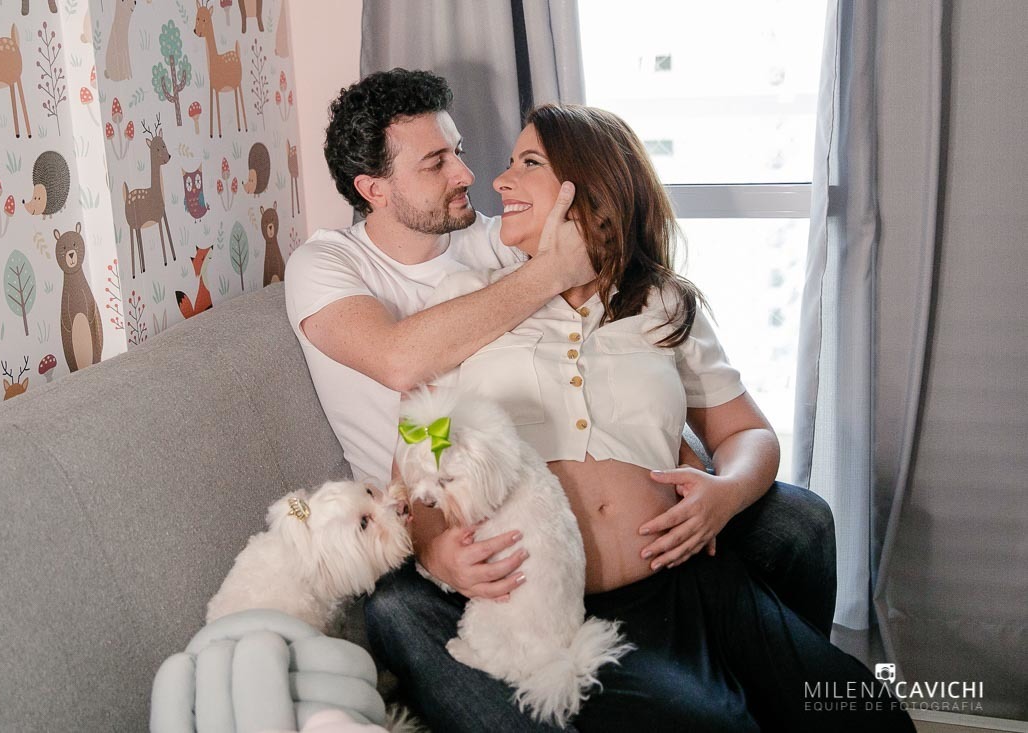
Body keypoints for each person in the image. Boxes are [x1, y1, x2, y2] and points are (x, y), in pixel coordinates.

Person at [287, 68, 836, 727]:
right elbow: (409, 381)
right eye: (437, 162)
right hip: (465, 525)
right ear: (374, 189)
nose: (475, 176)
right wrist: (432, 541)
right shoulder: (346, 268)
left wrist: (705, 474)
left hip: (652, 559)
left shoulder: (511, 247)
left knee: (804, 544)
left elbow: (716, 413)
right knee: (397, 609)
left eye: (462, 151)